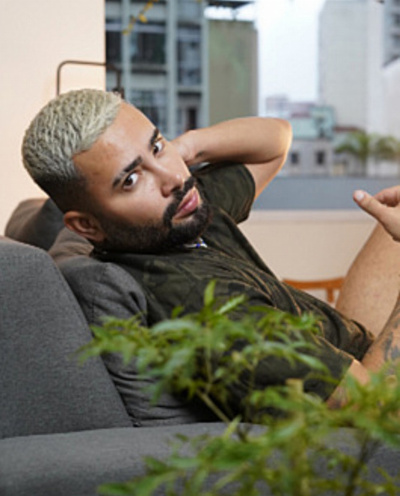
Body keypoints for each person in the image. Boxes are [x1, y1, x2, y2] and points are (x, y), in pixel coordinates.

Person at [20, 89, 400, 419]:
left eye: (157, 146)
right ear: (87, 226)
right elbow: (375, 406)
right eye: (131, 180)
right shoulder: (205, 307)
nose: (174, 179)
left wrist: (183, 148)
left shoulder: (179, 216)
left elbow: (275, 141)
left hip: (353, 342)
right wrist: (160, 152)